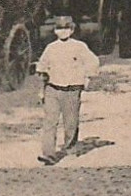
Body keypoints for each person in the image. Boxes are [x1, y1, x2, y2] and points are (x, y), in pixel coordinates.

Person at [36, 15, 101, 164]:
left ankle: (70, 148)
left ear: (72, 30)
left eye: (66, 28)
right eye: (59, 28)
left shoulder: (79, 47)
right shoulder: (51, 48)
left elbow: (93, 62)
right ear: (55, 31)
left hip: (72, 89)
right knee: (49, 122)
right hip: (53, 88)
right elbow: (42, 69)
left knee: (70, 121)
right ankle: (48, 154)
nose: (62, 31)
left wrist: (87, 79)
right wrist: (41, 90)